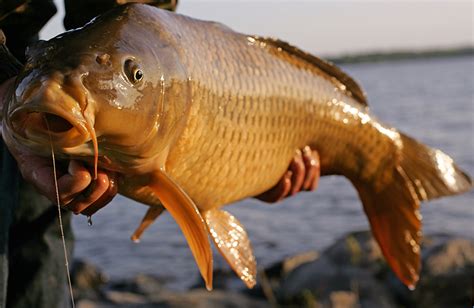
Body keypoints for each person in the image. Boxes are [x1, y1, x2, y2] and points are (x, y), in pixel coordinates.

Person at [0, 1, 321, 307]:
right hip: (20, 71)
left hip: (25, 65)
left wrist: (255, 174)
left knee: (35, 251)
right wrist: (6, 84)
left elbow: (128, 26)